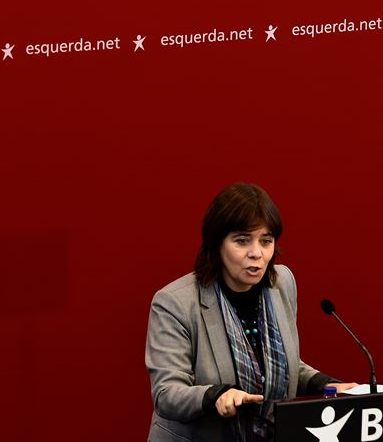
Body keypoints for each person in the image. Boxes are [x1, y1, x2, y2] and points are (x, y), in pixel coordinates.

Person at [145, 183, 356, 441]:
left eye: (265, 241)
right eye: (242, 240)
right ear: (216, 243)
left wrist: (322, 384)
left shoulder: (282, 283)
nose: (256, 253)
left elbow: (276, 365)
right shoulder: (175, 303)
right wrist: (216, 395)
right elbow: (167, 393)